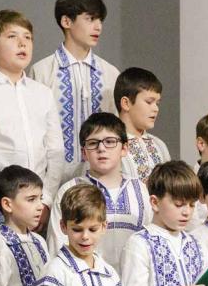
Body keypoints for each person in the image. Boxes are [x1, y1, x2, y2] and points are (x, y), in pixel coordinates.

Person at [0, 9, 65, 220]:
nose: (22, 43)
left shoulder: (42, 93)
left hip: (40, 205)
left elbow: (55, 152)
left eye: (27, 37)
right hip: (2, 205)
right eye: (12, 36)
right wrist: (6, 200)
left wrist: (45, 200)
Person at [29, 0, 120, 178]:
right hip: (53, 178)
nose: (98, 27)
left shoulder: (110, 73)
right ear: (66, 21)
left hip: (100, 178)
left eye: (100, 20)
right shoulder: (42, 71)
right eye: (90, 19)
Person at [48, 112, 151, 268]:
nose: (101, 148)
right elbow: (57, 248)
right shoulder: (69, 190)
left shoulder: (140, 190)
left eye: (110, 142)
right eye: (93, 143)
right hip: (84, 280)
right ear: (84, 152)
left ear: (124, 148)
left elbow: (150, 242)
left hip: (133, 280)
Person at [115, 67, 169, 182]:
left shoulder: (159, 145)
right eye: (149, 102)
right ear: (126, 103)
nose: (156, 109)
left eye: (157, 103)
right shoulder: (111, 145)